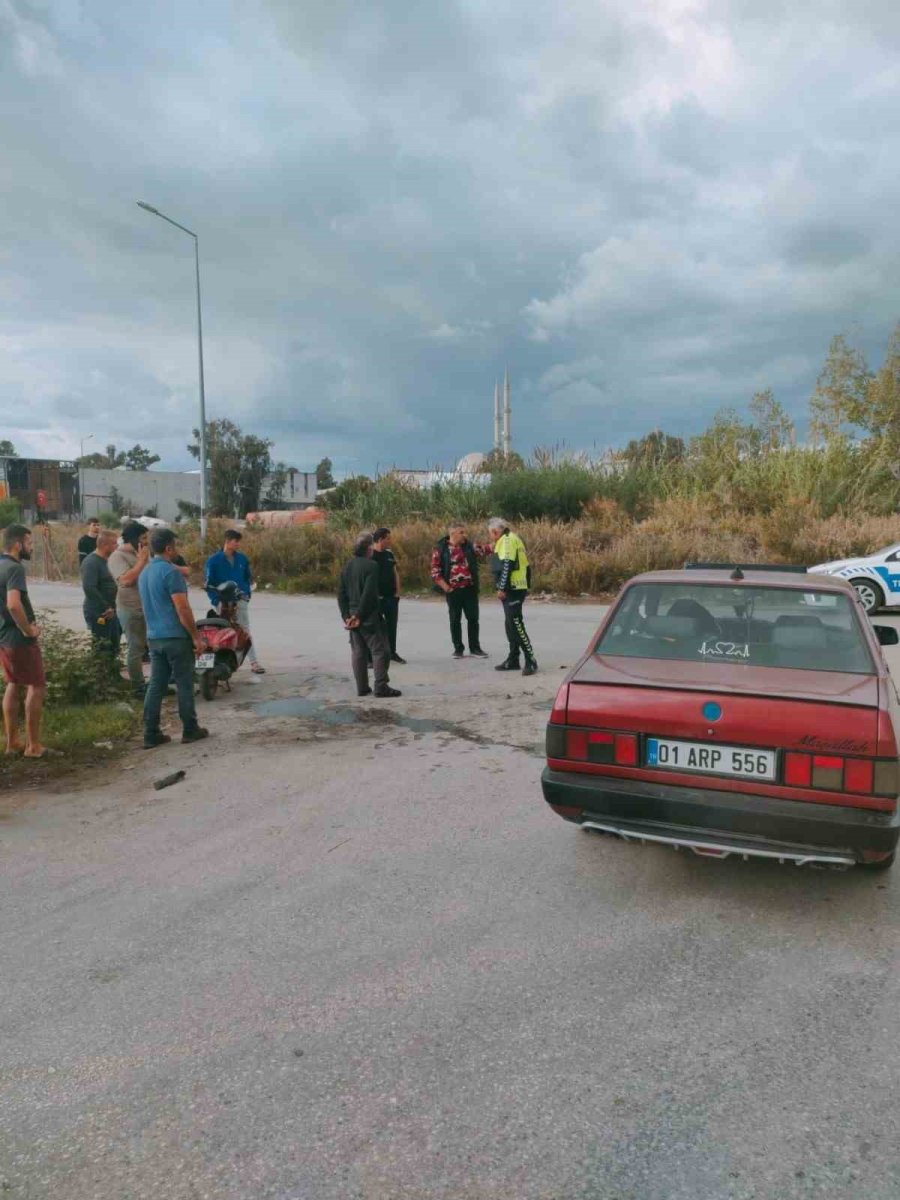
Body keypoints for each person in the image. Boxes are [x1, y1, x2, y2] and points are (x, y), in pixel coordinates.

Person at [138, 527, 208, 748]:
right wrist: (196, 637)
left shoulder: (144, 573)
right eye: (175, 546)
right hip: (175, 637)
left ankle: (150, 733)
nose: (176, 550)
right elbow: (182, 608)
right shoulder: (171, 573)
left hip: (154, 638)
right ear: (168, 548)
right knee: (184, 683)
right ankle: (190, 729)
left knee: (156, 685)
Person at [0, 524, 47, 757]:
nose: (32, 547)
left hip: (4, 637)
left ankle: (12, 743)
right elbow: (13, 604)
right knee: (36, 685)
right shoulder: (15, 568)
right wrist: (28, 630)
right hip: (19, 639)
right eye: (29, 543)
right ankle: (33, 746)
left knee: (13, 683)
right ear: (18, 545)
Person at [338, 533, 400, 698]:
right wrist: (359, 615)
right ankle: (381, 686)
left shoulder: (347, 565)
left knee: (359, 652)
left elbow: (341, 594)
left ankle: (362, 687)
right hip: (368, 616)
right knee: (381, 651)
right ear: (368, 548)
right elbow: (369, 594)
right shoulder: (372, 566)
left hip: (352, 616)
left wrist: (347, 616)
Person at [204, 530, 264, 674]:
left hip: (240, 600)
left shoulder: (242, 559)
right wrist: (215, 601)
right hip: (222, 602)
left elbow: (247, 578)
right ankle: (216, 663)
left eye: (238, 541)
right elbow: (208, 583)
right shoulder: (213, 560)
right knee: (220, 631)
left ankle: (254, 662)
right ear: (227, 541)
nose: (238, 544)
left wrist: (246, 595)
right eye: (236, 541)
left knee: (244, 631)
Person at [431, 522, 490, 659]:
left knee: (473, 619)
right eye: (461, 532)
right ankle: (458, 649)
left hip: (470, 589)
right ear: (452, 533)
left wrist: (497, 542)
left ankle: (475, 649)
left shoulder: (469, 546)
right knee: (455, 620)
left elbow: (484, 550)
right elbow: (435, 572)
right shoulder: (441, 549)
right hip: (453, 591)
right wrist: (446, 587)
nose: (465, 535)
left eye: (465, 532)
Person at [488, 516, 537, 676]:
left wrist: (502, 588)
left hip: (513, 588)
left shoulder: (507, 540)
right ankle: (513, 659)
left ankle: (531, 660)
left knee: (516, 624)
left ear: (495, 532)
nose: (490, 537)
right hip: (516, 586)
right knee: (510, 624)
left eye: (490, 534)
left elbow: (507, 565)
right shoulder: (511, 538)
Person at [109, 521, 150, 696]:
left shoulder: (140, 553)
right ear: (133, 539)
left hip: (147, 607)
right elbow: (125, 580)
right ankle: (138, 686)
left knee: (154, 646)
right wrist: (141, 562)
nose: (146, 542)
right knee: (136, 647)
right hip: (131, 609)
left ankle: (157, 683)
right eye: (143, 538)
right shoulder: (117, 557)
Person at [80, 529, 121, 661]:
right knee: (102, 646)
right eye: (114, 543)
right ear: (104, 545)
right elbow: (89, 588)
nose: (117, 546)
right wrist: (106, 607)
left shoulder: (110, 560)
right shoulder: (91, 562)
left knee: (114, 645)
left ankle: (112, 670)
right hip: (99, 611)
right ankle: (100, 672)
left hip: (113, 610)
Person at [372, 527, 405, 664]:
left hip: (391, 597)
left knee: (392, 626)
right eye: (388, 538)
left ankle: (392, 652)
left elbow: (395, 572)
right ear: (380, 539)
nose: (390, 541)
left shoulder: (389, 554)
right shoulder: (370, 555)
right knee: (374, 628)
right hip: (375, 599)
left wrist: (397, 592)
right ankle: (372, 656)